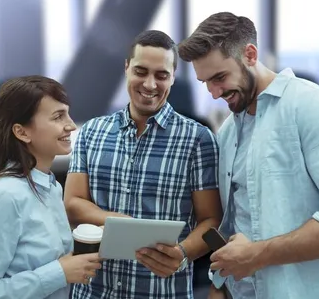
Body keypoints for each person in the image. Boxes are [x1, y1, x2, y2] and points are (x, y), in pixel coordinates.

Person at [178, 12, 319, 299]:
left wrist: (257, 255)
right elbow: (234, 225)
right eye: (205, 82)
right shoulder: (228, 133)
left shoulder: (314, 107)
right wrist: (219, 284)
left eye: (220, 77)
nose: (214, 93)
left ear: (250, 54)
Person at [64, 30, 223, 298]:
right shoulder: (92, 132)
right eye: (141, 71)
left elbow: (212, 220)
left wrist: (183, 254)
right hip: (93, 290)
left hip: (160, 291)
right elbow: (73, 203)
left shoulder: (198, 139)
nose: (149, 84)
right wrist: (122, 224)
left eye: (161, 75)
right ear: (126, 68)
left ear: (172, 77)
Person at [0, 76, 102, 299]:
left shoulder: (50, 187)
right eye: (58, 116)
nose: (71, 125)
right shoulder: (5, 197)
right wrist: (59, 273)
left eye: (67, 113)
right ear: (22, 132)